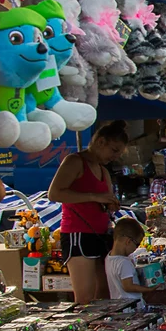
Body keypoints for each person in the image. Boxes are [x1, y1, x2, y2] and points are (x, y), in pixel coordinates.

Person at [48, 120, 127, 303]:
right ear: (100, 142)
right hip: (78, 233)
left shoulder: (103, 170)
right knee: (85, 297)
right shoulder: (75, 161)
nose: (115, 157)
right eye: (114, 150)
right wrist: (94, 196)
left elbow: (105, 200)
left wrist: (110, 204)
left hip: (100, 234)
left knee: (105, 294)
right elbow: (54, 193)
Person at [106, 218, 158, 305]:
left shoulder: (109, 258)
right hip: (132, 306)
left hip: (118, 306)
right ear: (128, 241)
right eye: (137, 244)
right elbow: (128, 287)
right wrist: (148, 289)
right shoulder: (124, 262)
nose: (136, 249)